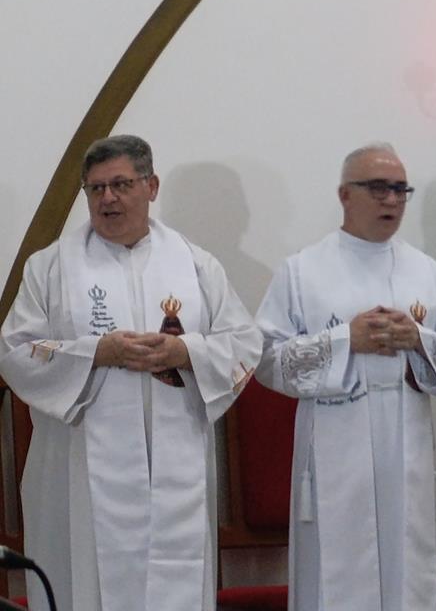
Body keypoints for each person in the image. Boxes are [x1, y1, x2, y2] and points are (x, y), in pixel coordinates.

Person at [0, 134, 262, 611]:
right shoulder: (50, 268)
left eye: (120, 184)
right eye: (96, 188)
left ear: (151, 186)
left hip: (174, 467)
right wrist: (97, 352)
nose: (108, 199)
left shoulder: (196, 265)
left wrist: (185, 352)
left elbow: (244, 343)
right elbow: (16, 351)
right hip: (79, 471)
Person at [255, 143, 436, 611]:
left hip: (406, 447)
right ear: (344, 195)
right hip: (336, 446)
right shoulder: (302, 271)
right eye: (378, 188)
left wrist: (418, 339)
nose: (391, 200)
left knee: (408, 570)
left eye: (400, 189)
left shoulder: (426, 271)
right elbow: (267, 359)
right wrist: (345, 340)